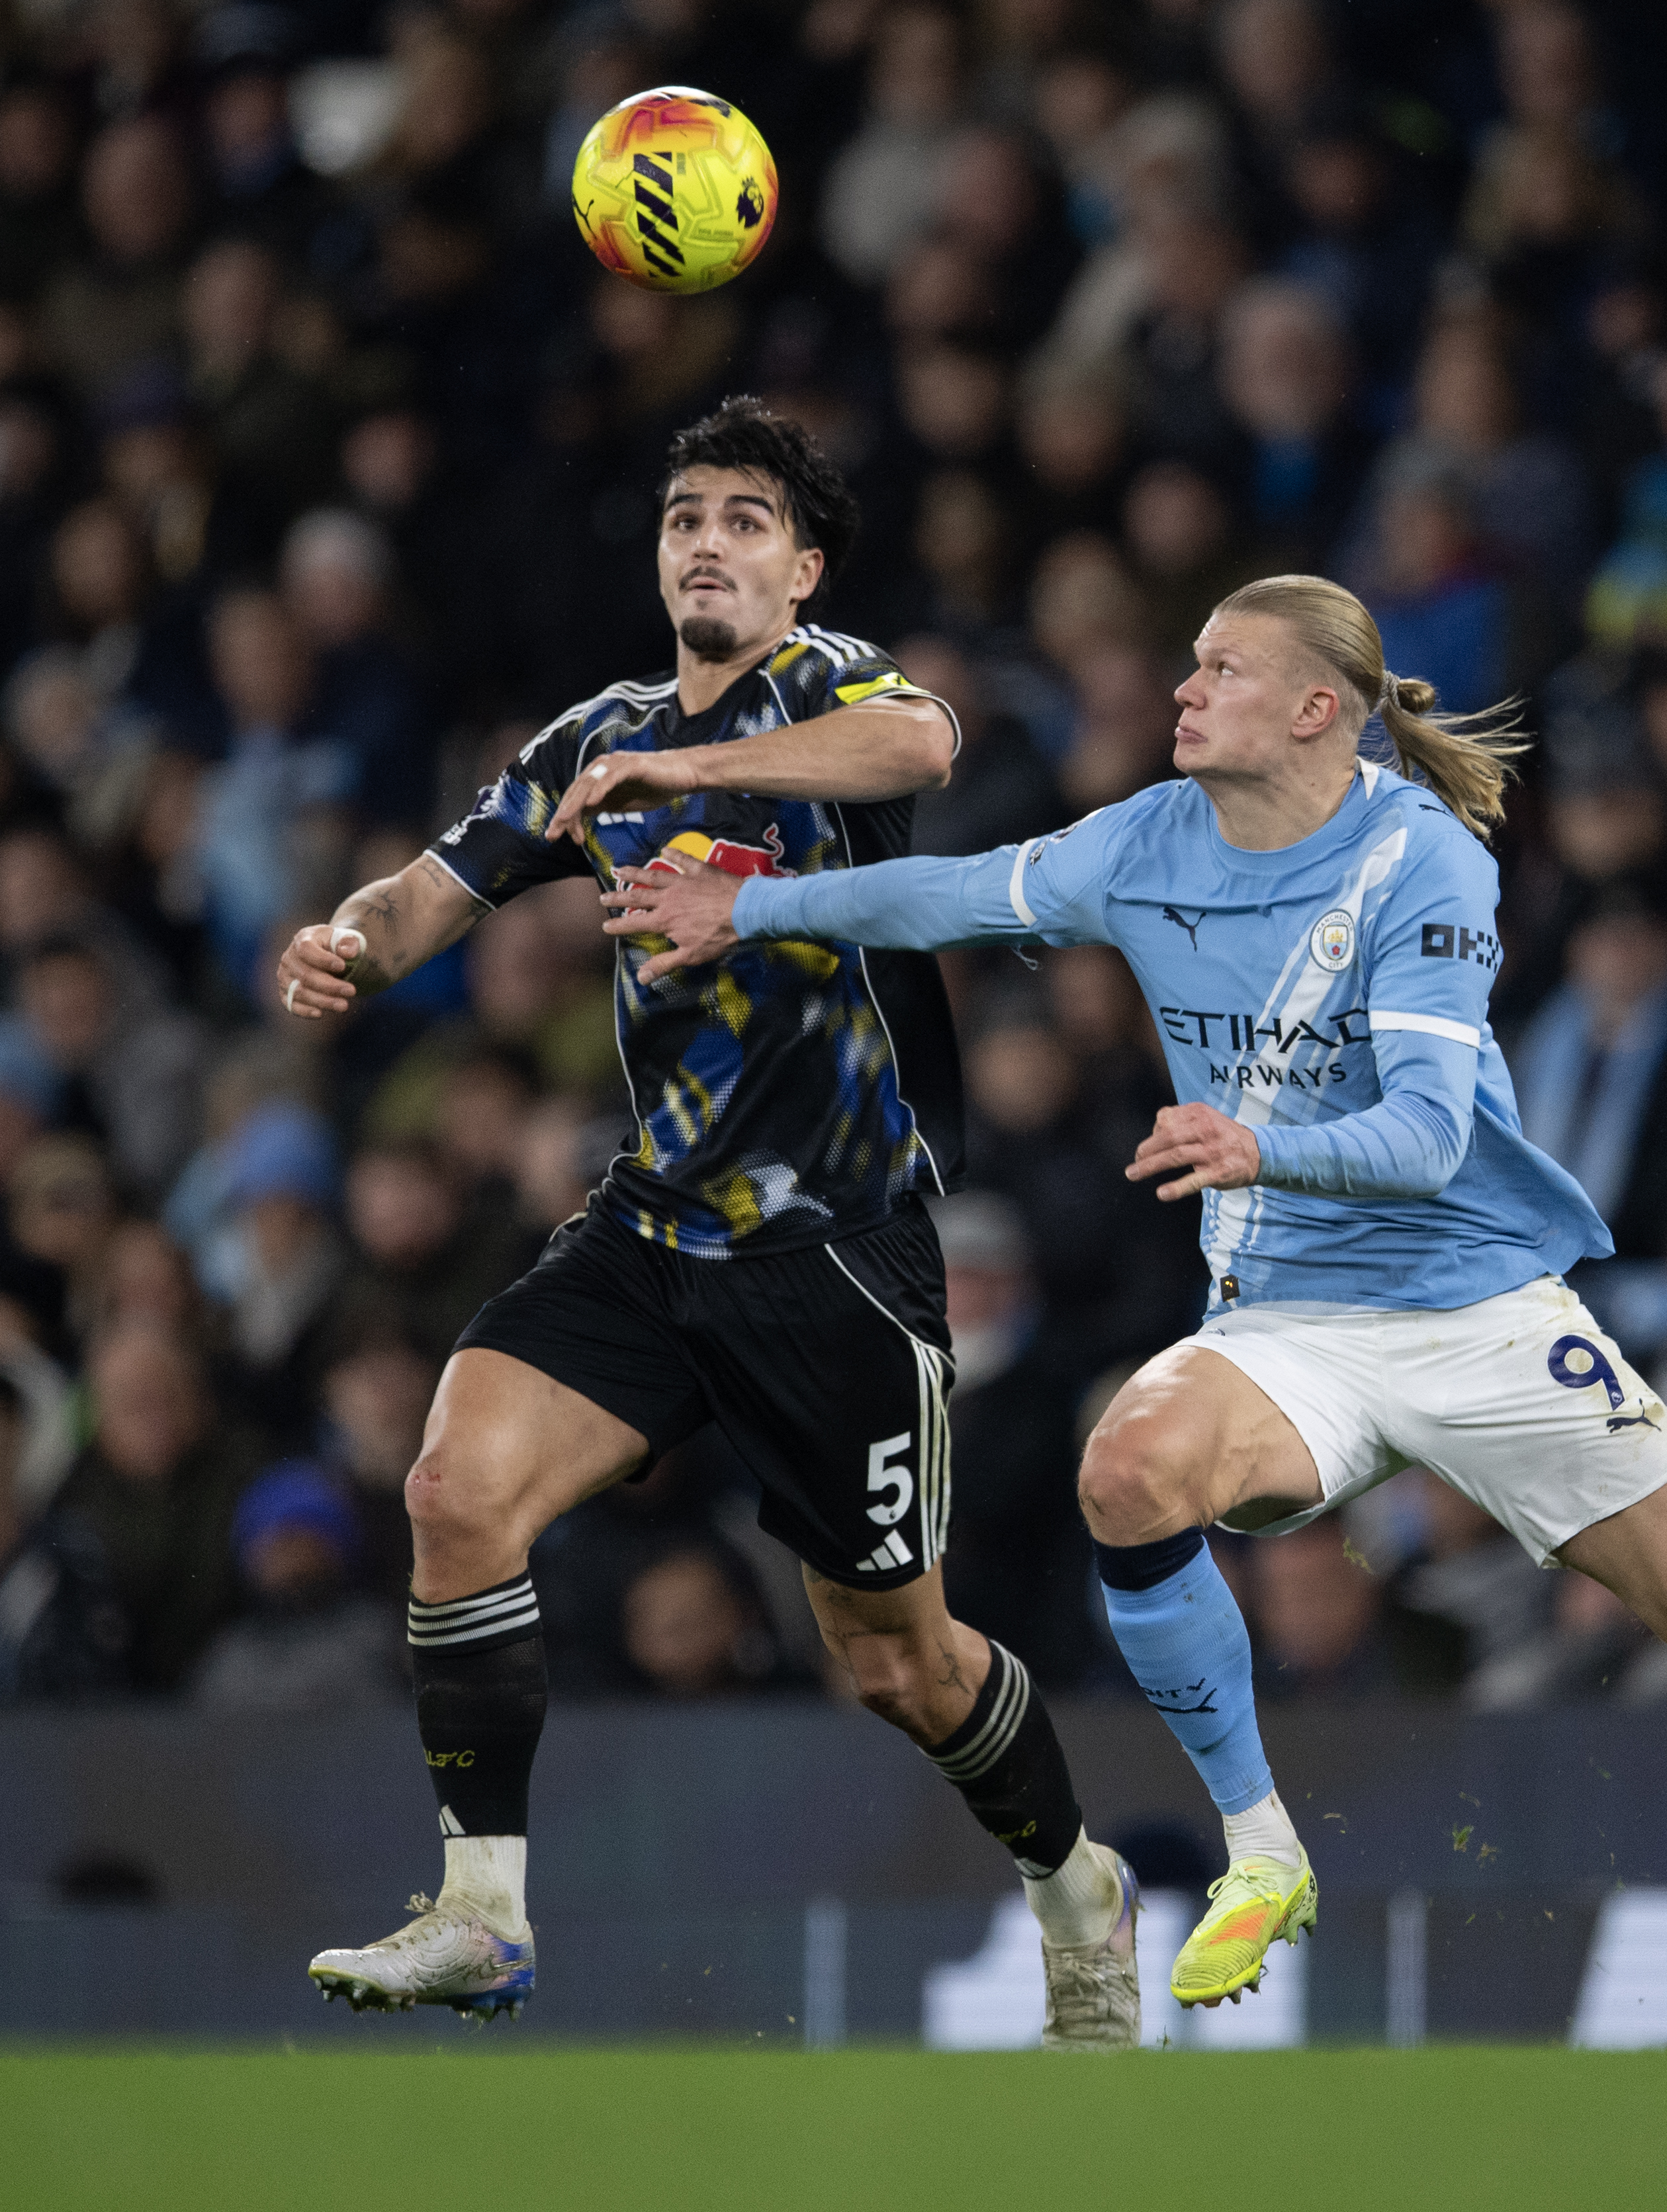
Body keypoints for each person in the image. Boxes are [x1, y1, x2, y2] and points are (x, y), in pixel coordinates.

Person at [612, 572, 1667, 2049]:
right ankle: (1263, 1845)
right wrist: (754, 906)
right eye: (1188, 663)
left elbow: (1432, 1136)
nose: (1184, 690)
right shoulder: (1148, 837)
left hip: (1484, 1313)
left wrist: (1262, 1146)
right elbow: (952, 891)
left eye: (1223, 670)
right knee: (1125, 1468)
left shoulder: (1420, 862)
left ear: (1317, 710)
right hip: (1289, 1329)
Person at [270, 399, 1137, 2047]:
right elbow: (430, 890)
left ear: (801, 571)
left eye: (746, 520)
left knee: (899, 1668)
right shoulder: (592, 737)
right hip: (655, 1231)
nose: (707, 541)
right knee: (454, 1490)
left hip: (837, 1260)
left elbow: (928, 747)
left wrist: (692, 765)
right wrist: (348, 940)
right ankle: (482, 1910)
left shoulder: (835, 696)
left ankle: (1078, 1884)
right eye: (684, 517)